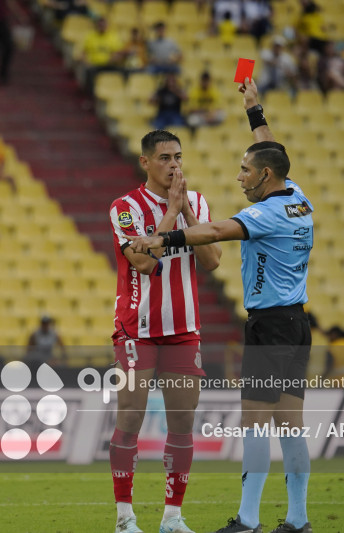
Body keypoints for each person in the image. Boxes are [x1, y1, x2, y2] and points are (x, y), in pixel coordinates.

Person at [127, 79, 313, 533]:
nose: (240, 176)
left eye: (246, 170)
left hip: (269, 327)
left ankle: (248, 519)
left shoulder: (264, 214)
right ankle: (298, 519)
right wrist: (254, 110)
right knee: (291, 425)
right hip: (297, 324)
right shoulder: (298, 197)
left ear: (265, 176)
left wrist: (160, 239)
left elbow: (212, 234)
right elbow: (273, 150)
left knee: (254, 423)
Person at [107, 128, 221, 533]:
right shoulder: (125, 208)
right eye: (164, 158)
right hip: (136, 330)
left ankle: (172, 517)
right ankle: (125, 517)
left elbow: (211, 260)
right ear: (146, 162)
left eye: (178, 157)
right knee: (131, 417)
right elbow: (142, 263)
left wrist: (187, 211)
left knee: (182, 421)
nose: (174, 165)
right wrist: (171, 214)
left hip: (184, 329)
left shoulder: (198, 202)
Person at [80, 17, 124, 92]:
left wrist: (114, 59)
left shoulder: (113, 37)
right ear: (97, 25)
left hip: (109, 64)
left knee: (120, 72)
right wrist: (87, 63)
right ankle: (91, 94)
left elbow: (119, 53)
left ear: (107, 26)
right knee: (89, 72)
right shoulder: (90, 36)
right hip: (94, 65)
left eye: (104, 25)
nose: (102, 27)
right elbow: (83, 53)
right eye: (100, 25)